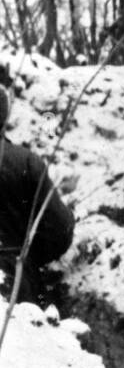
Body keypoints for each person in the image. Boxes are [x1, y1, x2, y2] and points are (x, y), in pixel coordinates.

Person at [0, 89, 75, 304]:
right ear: (4, 117)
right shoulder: (26, 162)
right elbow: (61, 229)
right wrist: (30, 257)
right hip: (15, 280)